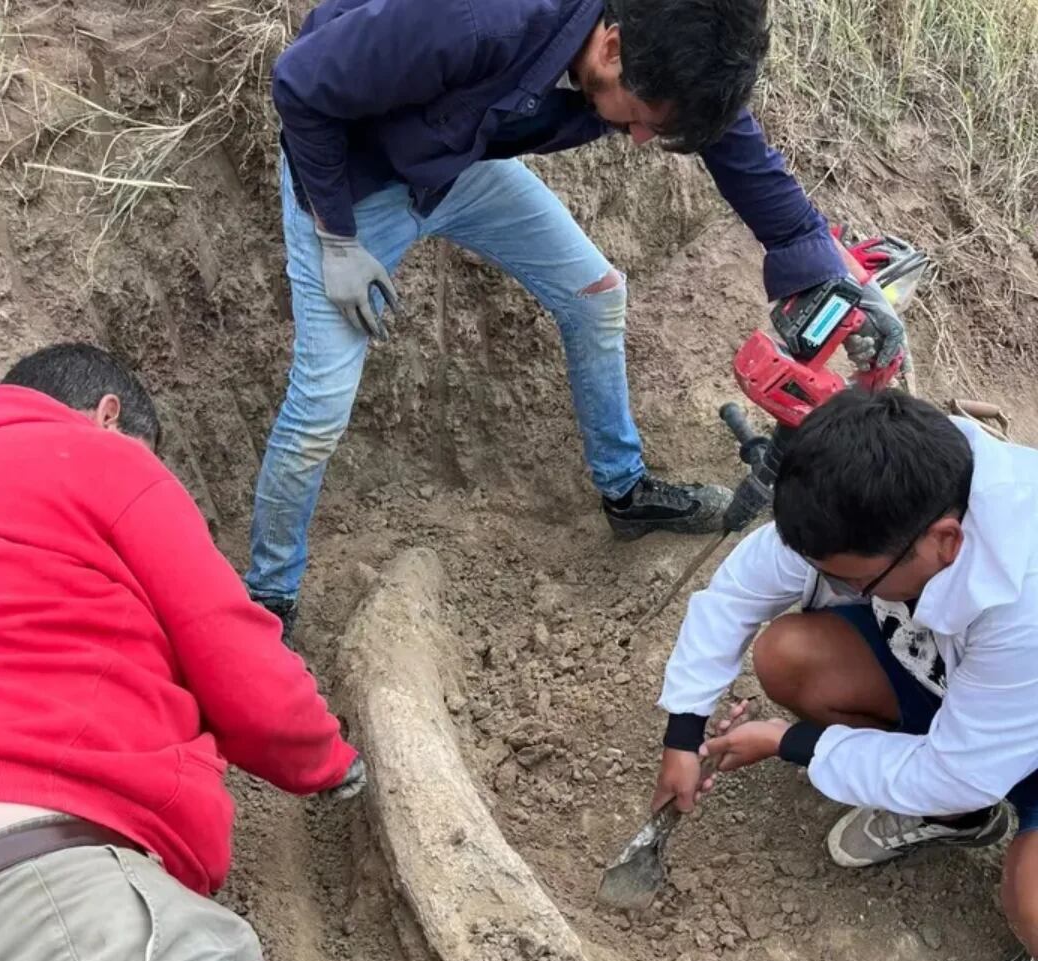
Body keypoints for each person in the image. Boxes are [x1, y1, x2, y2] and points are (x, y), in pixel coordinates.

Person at [246, 0, 908, 635]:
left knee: (597, 294)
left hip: (456, 170)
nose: (640, 137)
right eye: (641, 118)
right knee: (319, 411)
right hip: (353, 188)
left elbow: (740, 155)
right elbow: (300, 84)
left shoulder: (659, 42)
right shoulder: (473, 16)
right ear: (612, 47)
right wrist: (336, 236)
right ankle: (269, 595)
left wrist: (827, 271)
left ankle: (625, 492)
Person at [0, 344, 471, 961]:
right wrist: (331, 761)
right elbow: (243, 671)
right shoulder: (93, 454)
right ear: (109, 416)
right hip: (49, 908)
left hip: (52, 932)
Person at [651, 388, 1038, 961]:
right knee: (790, 655)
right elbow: (740, 592)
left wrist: (791, 740)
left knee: (1029, 899)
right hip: (969, 691)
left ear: (944, 542)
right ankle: (955, 821)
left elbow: (959, 771)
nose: (838, 589)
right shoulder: (892, 481)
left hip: (1016, 718)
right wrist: (682, 732)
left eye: (853, 581)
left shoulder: (1023, 600)